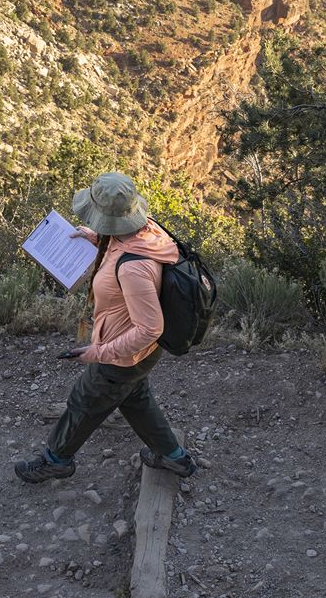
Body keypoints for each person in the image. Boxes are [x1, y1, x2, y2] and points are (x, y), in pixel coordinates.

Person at [15, 173, 199, 484]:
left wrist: (99, 352)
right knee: (135, 398)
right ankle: (174, 458)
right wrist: (97, 238)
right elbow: (123, 243)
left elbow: (150, 328)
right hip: (140, 356)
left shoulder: (133, 268)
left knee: (84, 402)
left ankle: (56, 460)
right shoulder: (146, 230)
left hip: (121, 353)